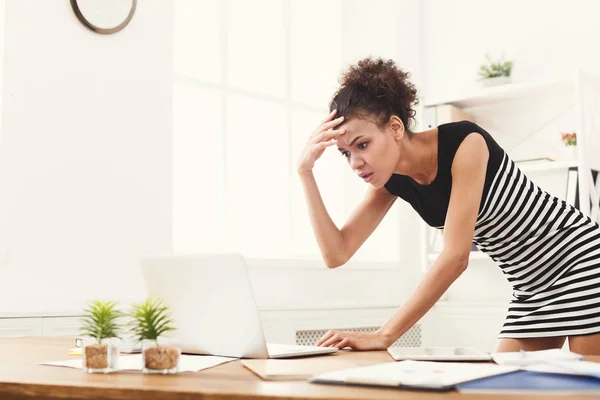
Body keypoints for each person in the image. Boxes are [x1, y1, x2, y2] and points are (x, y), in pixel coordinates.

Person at [297, 57, 600, 355]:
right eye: (345, 153)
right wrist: (305, 172)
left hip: (578, 258)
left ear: (395, 127)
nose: (355, 162)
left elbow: (456, 256)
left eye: (362, 145)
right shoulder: (390, 182)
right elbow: (336, 253)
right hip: (531, 287)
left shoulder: (465, 143)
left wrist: (384, 335)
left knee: (586, 383)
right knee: (507, 386)